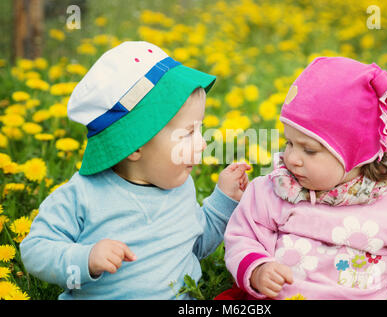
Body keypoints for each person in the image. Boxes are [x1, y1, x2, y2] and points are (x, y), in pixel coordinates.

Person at [20, 41, 250, 299]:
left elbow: (193, 245)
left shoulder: (181, 187)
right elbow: (35, 250)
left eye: (200, 129)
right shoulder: (82, 195)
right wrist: (85, 259)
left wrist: (223, 201)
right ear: (134, 145)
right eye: (188, 133)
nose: (202, 143)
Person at [221, 57, 387, 300]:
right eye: (289, 143)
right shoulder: (275, 190)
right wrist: (258, 269)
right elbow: (244, 236)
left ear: (356, 154)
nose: (293, 158)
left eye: (309, 150)